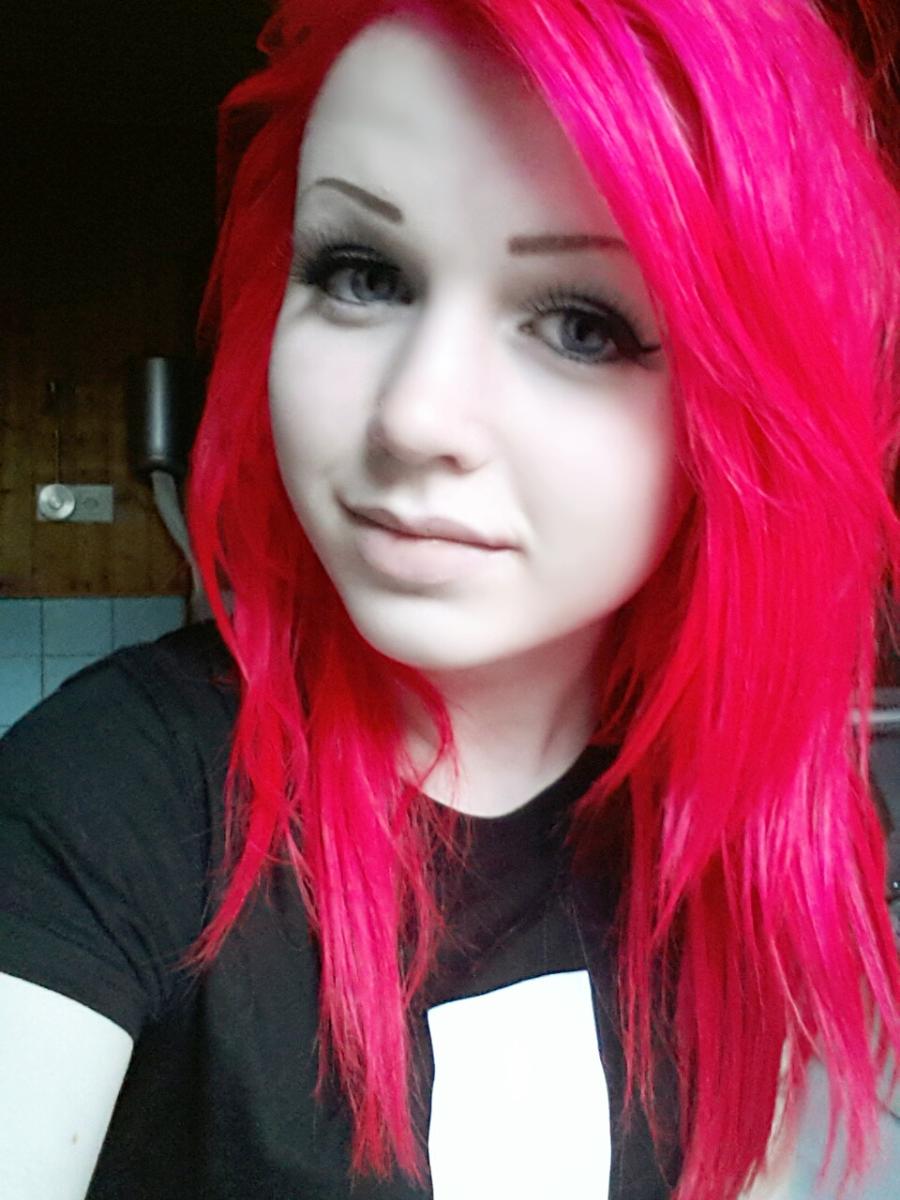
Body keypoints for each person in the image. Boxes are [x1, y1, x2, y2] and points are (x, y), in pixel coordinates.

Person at [1, 1, 897, 1197]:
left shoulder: (740, 834)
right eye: (364, 274)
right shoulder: (106, 797)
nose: (416, 416)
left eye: (582, 325)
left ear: (749, 415)